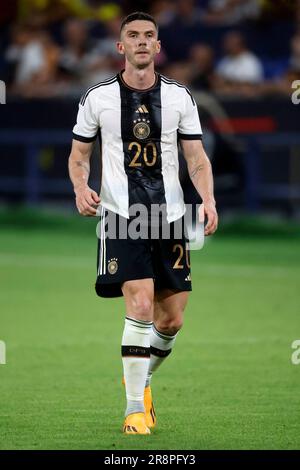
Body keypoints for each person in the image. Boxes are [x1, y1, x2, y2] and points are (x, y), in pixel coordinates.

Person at [68, 11, 218, 435]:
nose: (140, 42)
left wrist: (207, 199)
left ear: (157, 46)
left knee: (170, 321)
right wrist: (81, 187)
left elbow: (196, 159)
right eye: (132, 35)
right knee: (137, 307)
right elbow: (79, 156)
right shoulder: (96, 98)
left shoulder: (179, 97)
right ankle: (135, 409)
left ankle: (142, 377)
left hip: (169, 216)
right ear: (120, 47)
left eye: (148, 35)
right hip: (122, 216)